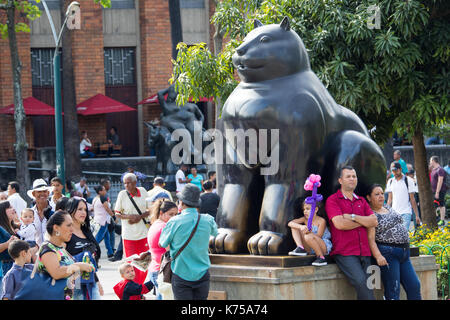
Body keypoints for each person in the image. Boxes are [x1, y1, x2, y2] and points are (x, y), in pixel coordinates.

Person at [325, 166, 378, 300]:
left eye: (354, 176)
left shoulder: (362, 201)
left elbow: (374, 222)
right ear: (340, 180)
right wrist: (364, 222)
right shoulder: (333, 200)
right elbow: (340, 224)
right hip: (345, 252)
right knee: (362, 283)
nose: (352, 179)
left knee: (369, 287)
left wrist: (353, 217)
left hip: (365, 252)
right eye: (348, 176)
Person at [159, 184, 218, 300]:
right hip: (202, 273)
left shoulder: (174, 222)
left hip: (181, 273)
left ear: (181, 202)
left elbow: (162, 243)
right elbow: (216, 234)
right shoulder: (208, 219)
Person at [366, 184, 422, 300]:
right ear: (369, 198)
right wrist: (378, 256)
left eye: (382, 193)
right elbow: (370, 239)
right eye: (377, 194)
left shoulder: (387, 207)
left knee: (414, 285)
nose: (381, 196)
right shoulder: (370, 214)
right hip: (388, 253)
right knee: (393, 289)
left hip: (404, 252)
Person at [38, 210, 95, 300]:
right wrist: (78, 266)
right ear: (56, 228)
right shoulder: (47, 248)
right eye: (68, 225)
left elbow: (70, 276)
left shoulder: (60, 248)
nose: (72, 229)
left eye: (72, 225)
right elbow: (56, 273)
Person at [114, 173, 150, 284]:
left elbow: (151, 209)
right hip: (128, 236)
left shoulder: (143, 191)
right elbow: (117, 213)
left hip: (143, 234)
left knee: (145, 263)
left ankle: (139, 287)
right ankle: (135, 290)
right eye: (124, 183)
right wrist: (129, 216)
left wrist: (139, 217)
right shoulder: (122, 194)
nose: (126, 185)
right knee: (131, 264)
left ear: (135, 183)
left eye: (129, 183)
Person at [65, 197, 103, 300]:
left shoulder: (87, 232)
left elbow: (90, 261)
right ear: (71, 210)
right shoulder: (66, 233)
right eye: (80, 209)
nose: (84, 212)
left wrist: (97, 281)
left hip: (90, 281)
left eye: (85, 209)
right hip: (74, 281)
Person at [145, 199, 178, 299]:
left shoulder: (155, 224)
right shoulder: (164, 227)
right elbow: (170, 251)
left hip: (155, 268)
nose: (174, 217)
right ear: (161, 213)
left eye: (176, 214)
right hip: (163, 271)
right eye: (171, 214)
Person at [288, 199, 332, 266]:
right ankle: (300, 248)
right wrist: (301, 227)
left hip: (321, 246)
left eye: (308, 209)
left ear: (316, 210)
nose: (305, 211)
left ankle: (321, 257)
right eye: (304, 209)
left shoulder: (321, 221)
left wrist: (310, 233)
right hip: (309, 247)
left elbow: (318, 236)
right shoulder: (304, 219)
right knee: (295, 227)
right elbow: (290, 223)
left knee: (308, 236)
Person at [386, 161, 420, 232]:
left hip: (406, 212)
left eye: (395, 170)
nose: (394, 172)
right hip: (394, 212)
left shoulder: (408, 180)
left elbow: (412, 199)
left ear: (400, 169)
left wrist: (417, 215)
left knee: (404, 233)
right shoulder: (390, 181)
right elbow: (390, 199)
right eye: (392, 171)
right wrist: (387, 213)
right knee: (396, 234)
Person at [26, 179, 53, 246]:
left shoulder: (55, 210)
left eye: (44, 191)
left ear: (48, 193)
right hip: (35, 253)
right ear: (33, 194)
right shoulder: (29, 213)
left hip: (53, 252)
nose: (42, 194)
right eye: (39, 191)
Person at [0, 201, 20, 288]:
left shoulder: (16, 227)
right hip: (8, 267)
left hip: (19, 265)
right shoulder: (1, 228)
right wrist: (8, 244)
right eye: (9, 207)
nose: (13, 209)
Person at [93, 185, 115, 258]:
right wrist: (113, 216)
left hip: (98, 219)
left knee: (107, 237)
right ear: (100, 191)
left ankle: (110, 252)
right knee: (98, 238)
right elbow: (107, 208)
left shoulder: (95, 199)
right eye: (104, 190)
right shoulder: (103, 198)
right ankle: (91, 250)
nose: (105, 191)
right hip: (103, 220)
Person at [429, 156, 448, 226]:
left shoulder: (440, 170)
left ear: (433, 161)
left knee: (441, 205)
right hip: (433, 191)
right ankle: (438, 218)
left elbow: (440, 181)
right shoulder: (433, 169)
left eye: (430, 161)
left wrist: (437, 192)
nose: (430, 162)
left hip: (440, 191)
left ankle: (442, 220)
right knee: (434, 205)